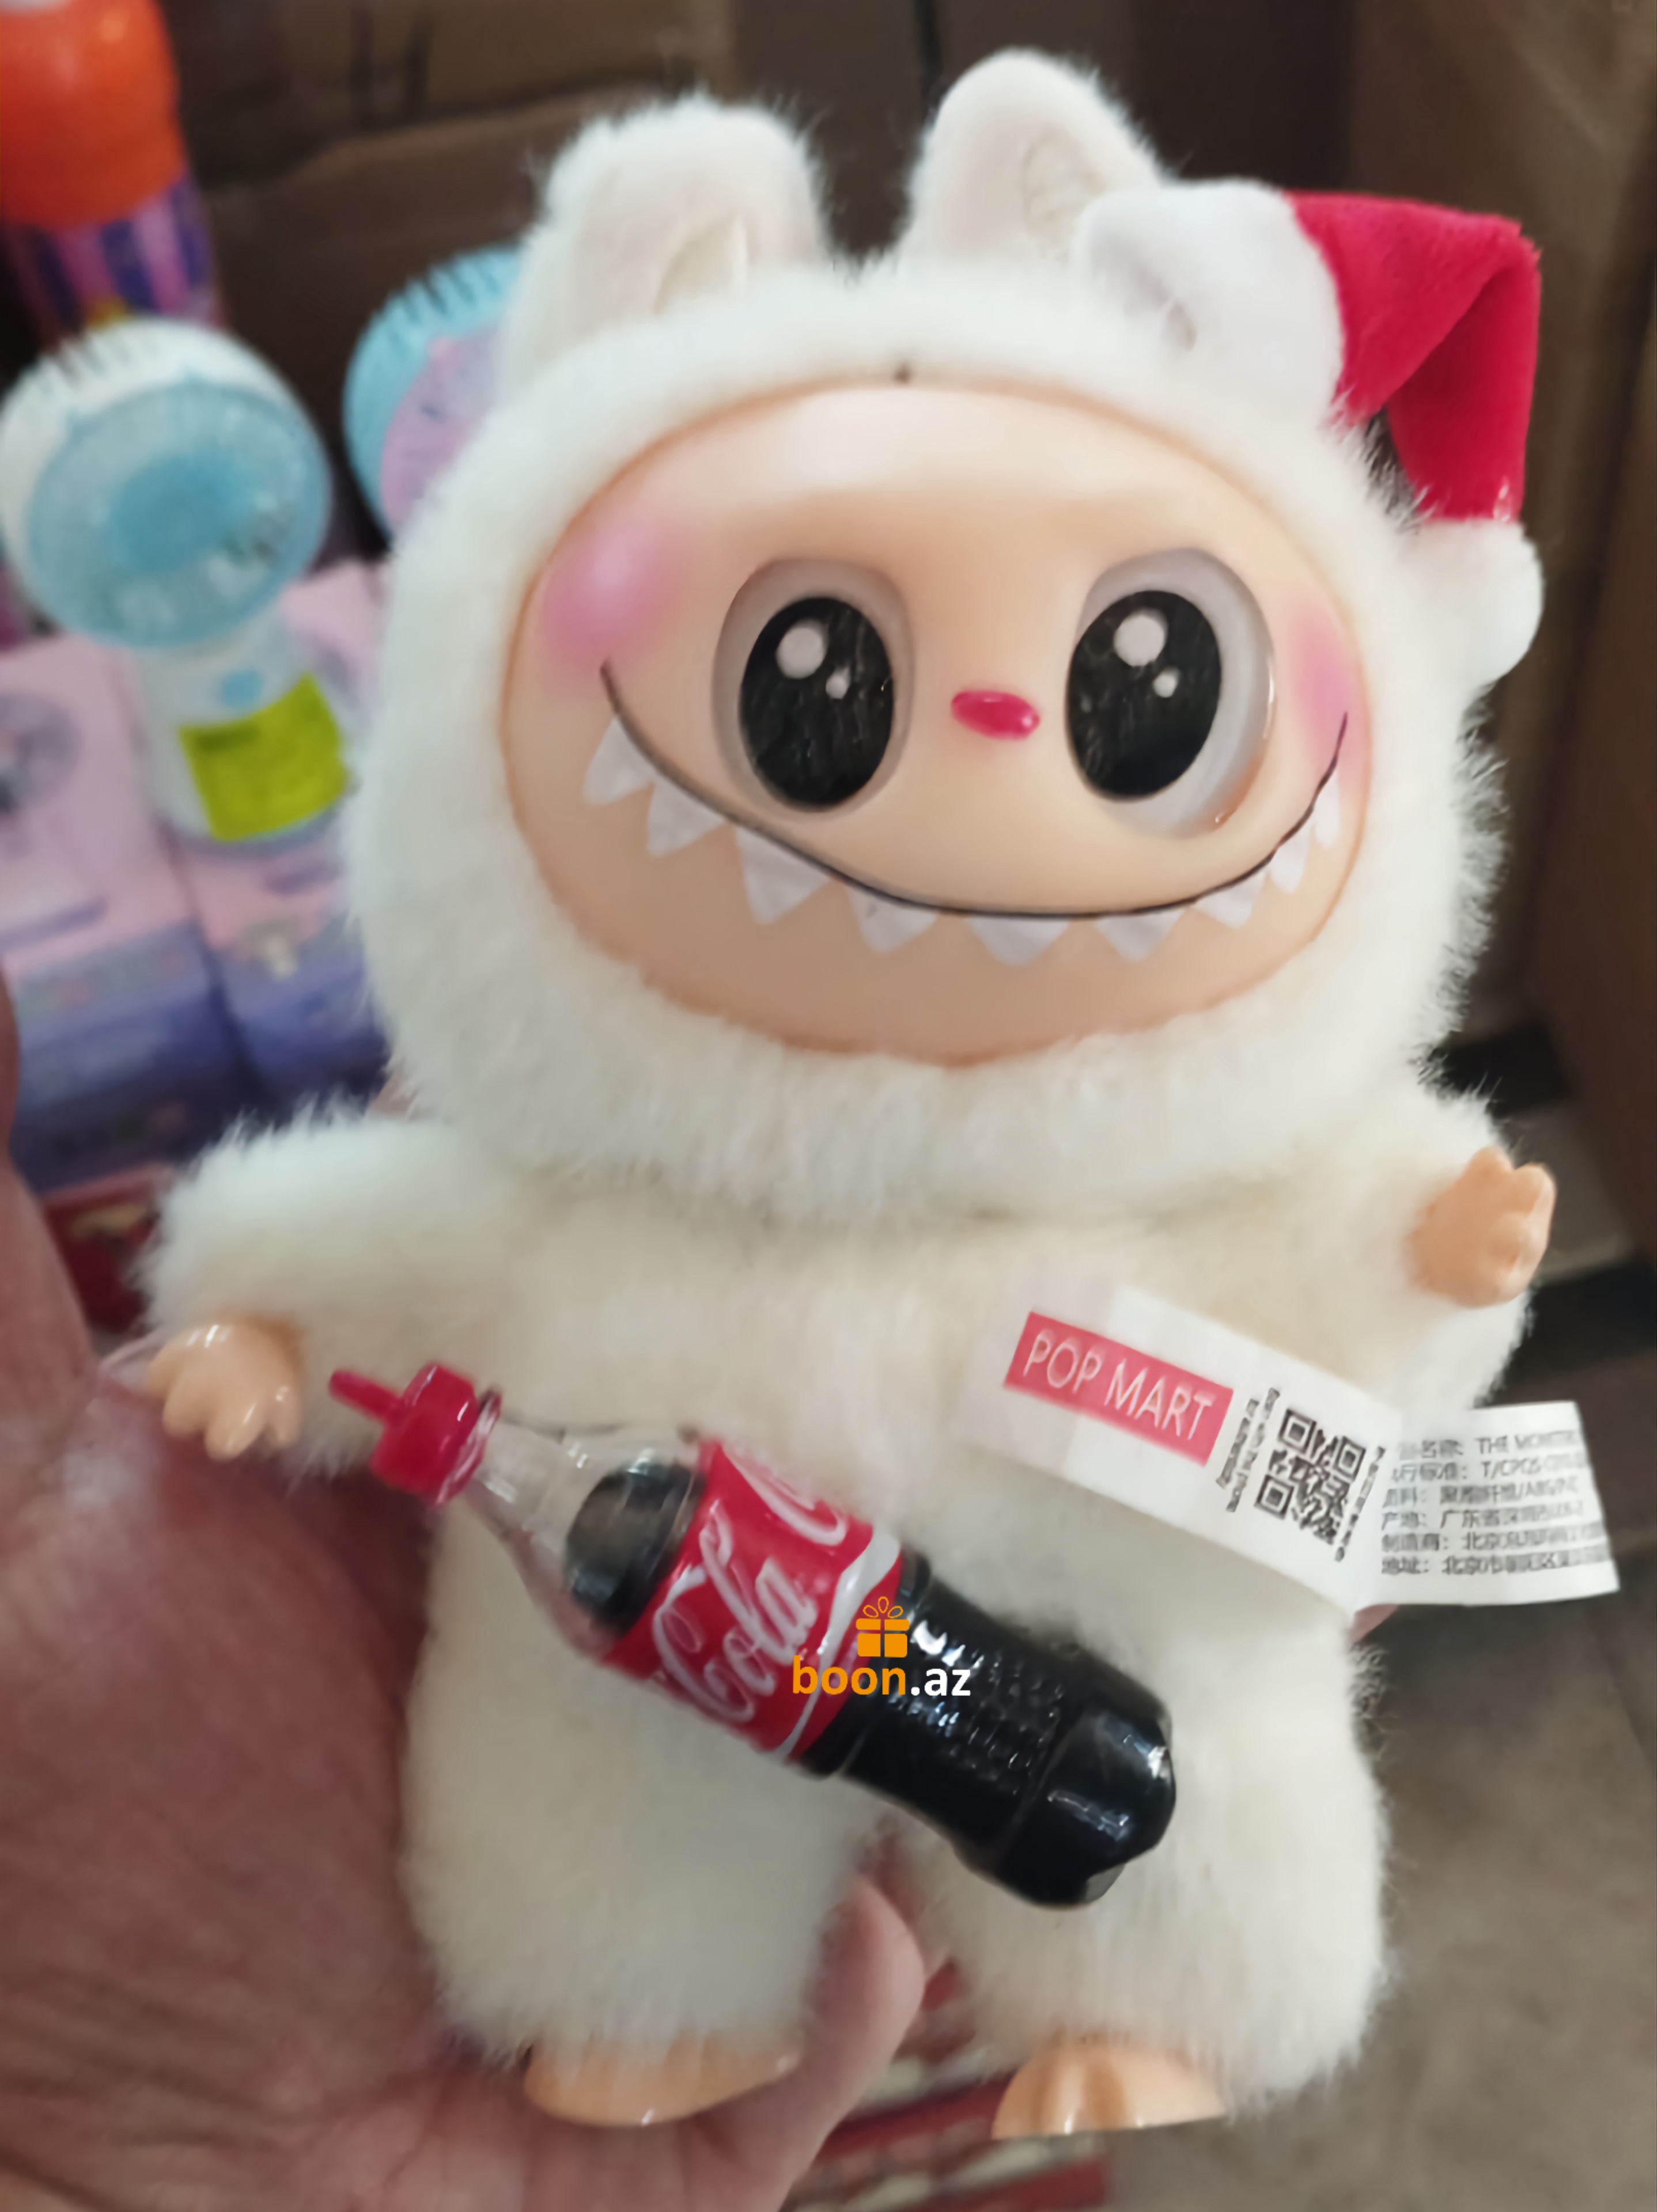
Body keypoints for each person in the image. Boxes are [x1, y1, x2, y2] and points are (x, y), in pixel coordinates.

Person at [0, 990, 926, 2212]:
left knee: (909, 1765)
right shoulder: (530, 1202)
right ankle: (647, 2020)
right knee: (596, 1798)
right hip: (587, 1655)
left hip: (861, 1617)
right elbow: (362, 1239)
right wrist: (257, 1336)